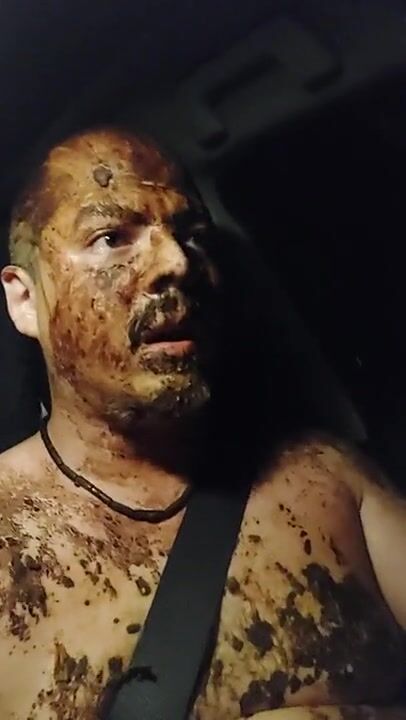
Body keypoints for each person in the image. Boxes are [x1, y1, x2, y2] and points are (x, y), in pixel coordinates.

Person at [0, 127, 405, 720]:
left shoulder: (329, 480)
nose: (177, 262)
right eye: (111, 238)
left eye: (191, 235)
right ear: (25, 300)